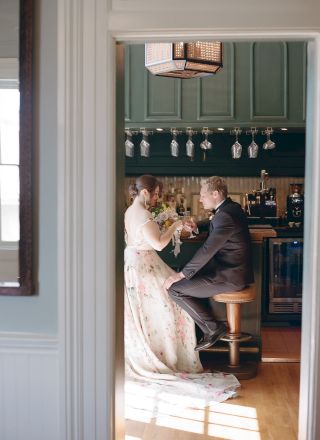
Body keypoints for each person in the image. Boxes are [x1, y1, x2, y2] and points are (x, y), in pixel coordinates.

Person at [124, 174, 239, 404]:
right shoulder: (144, 214)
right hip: (144, 267)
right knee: (172, 304)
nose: (157, 198)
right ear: (145, 192)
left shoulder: (129, 211)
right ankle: (175, 353)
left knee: (168, 301)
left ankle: (190, 340)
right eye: (156, 193)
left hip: (137, 265)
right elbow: (158, 244)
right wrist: (176, 224)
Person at [164, 176, 254, 351]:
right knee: (184, 284)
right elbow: (214, 222)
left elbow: (206, 251)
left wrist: (181, 274)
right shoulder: (231, 208)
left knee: (175, 289)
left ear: (215, 194)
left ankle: (213, 328)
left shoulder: (225, 215)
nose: (200, 199)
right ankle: (209, 328)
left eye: (203, 195)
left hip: (230, 277)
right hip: (232, 272)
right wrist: (196, 226)